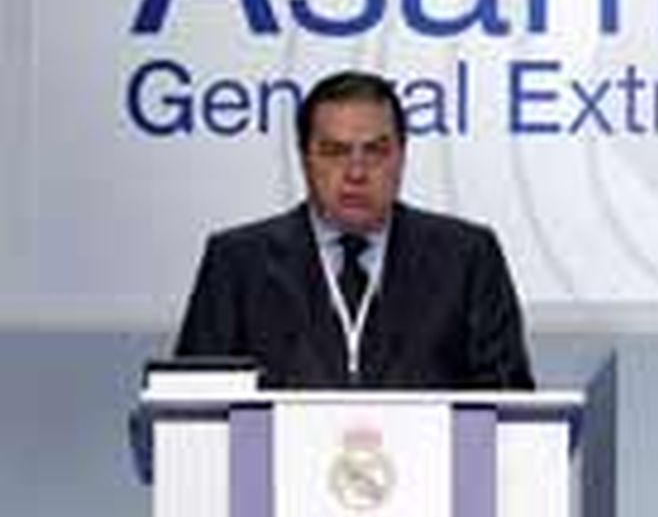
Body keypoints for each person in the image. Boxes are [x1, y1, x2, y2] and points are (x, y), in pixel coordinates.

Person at [171, 70, 535, 389]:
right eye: (335, 151)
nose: (356, 173)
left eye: (375, 151)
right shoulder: (237, 264)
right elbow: (191, 410)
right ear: (305, 159)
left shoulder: (467, 258)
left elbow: (510, 408)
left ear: (401, 156)